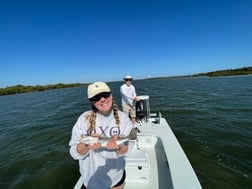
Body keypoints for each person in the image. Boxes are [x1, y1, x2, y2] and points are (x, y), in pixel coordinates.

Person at [69, 81, 134, 189]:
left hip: (117, 178)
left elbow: (129, 149)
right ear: (92, 101)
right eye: (97, 97)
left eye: (105, 95)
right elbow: (74, 153)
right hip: (92, 181)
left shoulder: (123, 118)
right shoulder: (83, 119)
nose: (102, 99)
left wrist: (119, 147)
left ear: (111, 94)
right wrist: (86, 145)